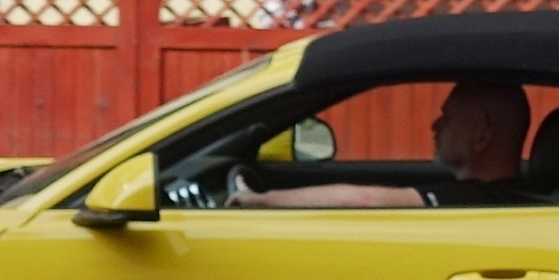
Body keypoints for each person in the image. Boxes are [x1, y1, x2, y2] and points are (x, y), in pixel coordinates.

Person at [229, 80, 536, 209]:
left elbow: (365, 200)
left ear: (482, 137)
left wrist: (263, 200)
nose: (435, 126)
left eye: (449, 118)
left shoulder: (474, 201)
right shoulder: (509, 196)